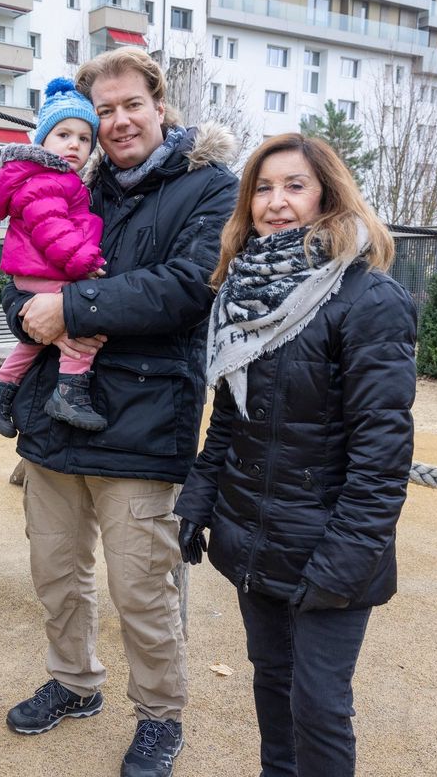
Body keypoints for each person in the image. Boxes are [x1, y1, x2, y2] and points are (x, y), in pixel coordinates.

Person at [0, 47, 239, 777]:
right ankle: (74, 681)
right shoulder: (75, 179)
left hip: (142, 420)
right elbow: (22, 265)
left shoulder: (211, 187)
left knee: (141, 587)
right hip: (54, 418)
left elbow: (185, 286)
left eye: (130, 104)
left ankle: (160, 713)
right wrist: (24, 315)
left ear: (159, 104)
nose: (117, 121)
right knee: (55, 571)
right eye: (103, 111)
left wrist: (68, 306)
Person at [174, 133, 417, 777]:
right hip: (256, 533)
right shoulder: (243, 296)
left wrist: (342, 563)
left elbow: (381, 458)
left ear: (328, 196)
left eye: (294, 186)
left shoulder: (367, 299)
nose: (275, 202)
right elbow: (229, 418)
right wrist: (198, 501)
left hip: (331, 544)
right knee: (271, 686)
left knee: (319, 705)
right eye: (263, 187)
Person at [0, 77, 107, 436]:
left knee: (33, 340)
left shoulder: (58, 178)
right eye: (64, 135)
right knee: (83, 323)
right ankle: (70, 391)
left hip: (38, 271)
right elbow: (52, 230)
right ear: (43, 139)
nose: (75, 145)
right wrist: (85, 262)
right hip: (50, 268)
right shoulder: (48, 179)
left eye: (84, 139)